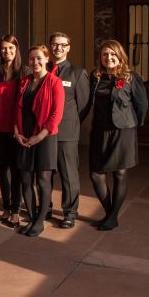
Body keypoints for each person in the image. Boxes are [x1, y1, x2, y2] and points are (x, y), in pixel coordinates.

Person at [83, 40, 147, 231]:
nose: (108, 58)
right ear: (100, 57)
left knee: (119, 173)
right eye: (105, 55)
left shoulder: (130, 77)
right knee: (96, 174)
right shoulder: (95, 77)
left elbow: (141, 105)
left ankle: (111, 217)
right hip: (100, 131)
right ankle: (111, 212)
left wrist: (134, 125)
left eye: (113, 54)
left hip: (122, 131)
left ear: (120, 57)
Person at [13, 45, 65, 237]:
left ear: (46, 59)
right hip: (25, 136)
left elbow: (56, 114)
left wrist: (40, 136)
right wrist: (16, 132)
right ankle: (32, 217)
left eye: (39, 58)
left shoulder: (54, 82)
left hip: (44, 136)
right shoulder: (25, 81)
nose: (35, 62)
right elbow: (16, 108)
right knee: (26, 179)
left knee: (43, 180)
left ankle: (40, 221)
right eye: (32, 59)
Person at [47, 32, 90, 228]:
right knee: (44, 173)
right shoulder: (42, 68)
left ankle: (70, 212)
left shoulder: (77, 73)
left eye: (62, 45)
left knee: (68, 174)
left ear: (69, 47)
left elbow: (84, 106)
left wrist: (69, 122)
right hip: (43, 132)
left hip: (67, 133)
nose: (58, 48)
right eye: (55, 45)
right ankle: (44, 208)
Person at [0, 35, 29, 228]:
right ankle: (6, 207)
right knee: (2, 168)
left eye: (10, 49)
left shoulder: (24, 72)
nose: (7, 52)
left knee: (16, 170)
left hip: (16, 128)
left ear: (16, 51)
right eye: (4, 49)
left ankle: (15, 210)